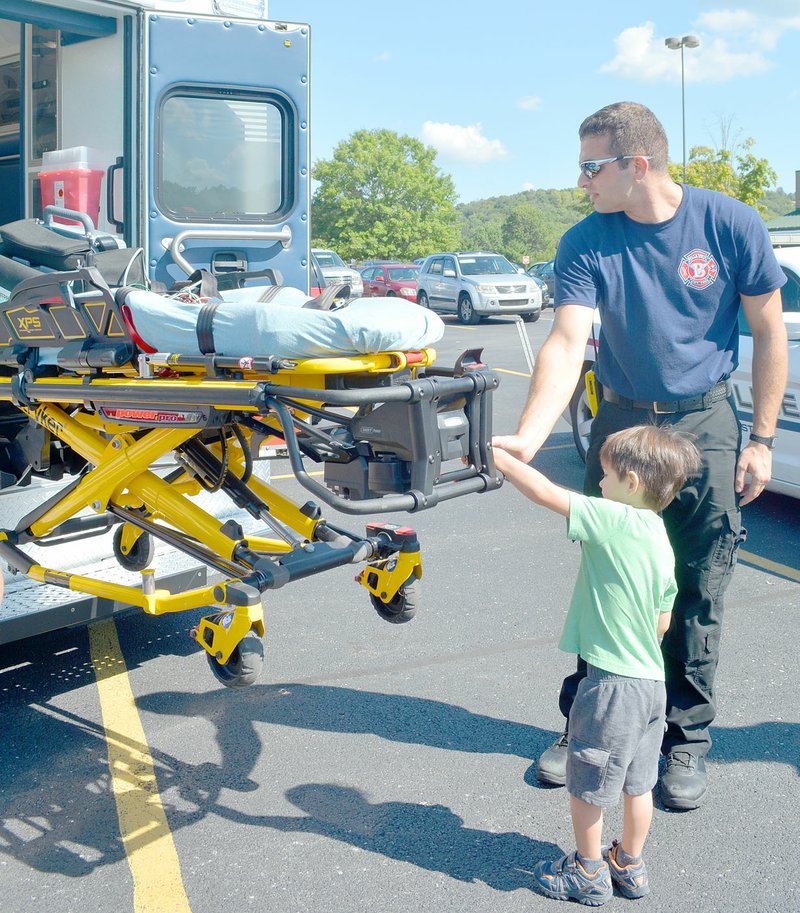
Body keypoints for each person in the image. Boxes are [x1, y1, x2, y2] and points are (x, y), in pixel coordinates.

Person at [493, 101, 788, 810]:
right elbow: (567, 342)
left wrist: (763, 440)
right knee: (614, 579)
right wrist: (529, 437)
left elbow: (769, 333)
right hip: (623, 423)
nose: (582, 180)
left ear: (638, 164)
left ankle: (683, 741)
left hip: (704, 422)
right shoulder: (586, 241)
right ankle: (584, 725)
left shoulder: (729, 223)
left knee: (699, 584)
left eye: (592, 166)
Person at [494, 425, 701, 904]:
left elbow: (546, 492)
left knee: (587, 785)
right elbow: (662, 620)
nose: (599, 485)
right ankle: (629, 864)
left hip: (612, 687)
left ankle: (587, 872)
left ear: (630, 481)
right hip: (652, 685)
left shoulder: (613, 517)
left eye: (605, 476)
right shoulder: (659, 537)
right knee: (638, 783)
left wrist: (497, 459)